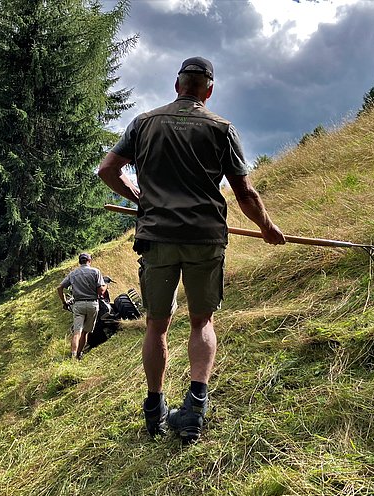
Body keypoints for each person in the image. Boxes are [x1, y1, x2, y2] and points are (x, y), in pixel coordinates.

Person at [98, 56, 285, 443]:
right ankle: (195, 409)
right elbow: (245, 192)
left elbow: (107, 170)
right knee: (202, 322)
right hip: (204, 238)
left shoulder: (143, 123)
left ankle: (154, 408)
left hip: (157, 237)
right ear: (209, 90)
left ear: (177, 85)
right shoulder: (221, 128)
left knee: (157, 324)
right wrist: (266, 227)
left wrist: (138, 196)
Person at [57, 253, 106, 360]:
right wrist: (105, 286)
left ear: (79, 262)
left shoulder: (73, 274)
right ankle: (79, 354)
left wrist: (64, 302)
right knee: (85, 332)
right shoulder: (95, 271)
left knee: (77, 332)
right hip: (92, 304)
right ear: (89, 260)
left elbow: (60, 288)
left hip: (78, 305)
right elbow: (101, 291)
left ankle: (73, 355)